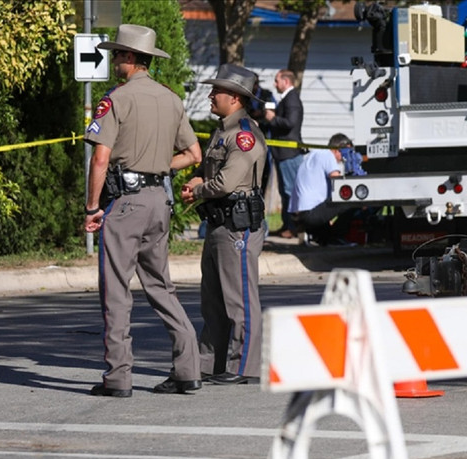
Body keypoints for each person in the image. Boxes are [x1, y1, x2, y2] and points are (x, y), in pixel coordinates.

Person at [82, 24, 203, 397]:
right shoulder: (171, 99)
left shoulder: (116, 100)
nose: (114, 60)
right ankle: (188, 369)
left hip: (125, 204)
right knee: (161, 287)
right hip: (158, 202)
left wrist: (91, 207)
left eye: (117, 54)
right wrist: (156, 166)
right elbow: (194, 155)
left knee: (116, 290)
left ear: (130, 59)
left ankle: (118, 377)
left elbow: (100, 159)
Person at [180, 64, 267, 385]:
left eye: (216, 91)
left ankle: (243, 365)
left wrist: (198, 190)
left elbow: (226, 183)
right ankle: (210, 362)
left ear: (234, 97)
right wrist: (197, 180)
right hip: (219, 223)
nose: (211, 95)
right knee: (212, 299)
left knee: (239, 299)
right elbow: (211, 172)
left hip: (237, 225)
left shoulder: (243, 134)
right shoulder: (223, 130)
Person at [289, 133, 359, 246]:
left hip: (298, 213)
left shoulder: (313, 155)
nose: (346, 158)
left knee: (326, 233)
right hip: (310, 213)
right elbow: (339, 182)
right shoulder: (328, 155)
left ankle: (314, 234)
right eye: (346, 152)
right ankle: (338, 237)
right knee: (350, 200)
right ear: (338, 149)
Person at [264, 69, 305, 239]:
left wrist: (272, 119)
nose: (274, 84)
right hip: (282, 154)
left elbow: (290, 122)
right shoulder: (287, 99)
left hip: (289, 154)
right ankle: (286, 225)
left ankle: (294, 228)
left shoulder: (292, 99)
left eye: (277, 80)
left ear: (286, 82)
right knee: (284, 191)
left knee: (290, 192)